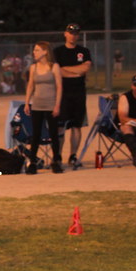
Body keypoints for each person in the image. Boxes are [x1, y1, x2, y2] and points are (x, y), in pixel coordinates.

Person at [53, 23, 92, 169]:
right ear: (65, 34)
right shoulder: (58, 52)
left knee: (77, 126)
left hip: (79, 93)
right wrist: (75, 71)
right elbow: (57, 71)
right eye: (70, 33)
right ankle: (58, 156)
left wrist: (66, 70)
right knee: (60, 126)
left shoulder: (84, 51)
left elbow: (85, 68)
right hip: (62, 94)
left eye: (75, 33)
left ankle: (73, 156)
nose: (73, 35)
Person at [23, 41, 63, 174]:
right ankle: (33, 162)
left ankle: (56, 161)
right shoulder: (33, 67)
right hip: (37, 105)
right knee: (36, 134)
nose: (34, 52)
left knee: (53, 134)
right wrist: (27, 102)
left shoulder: (54, 66)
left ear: (45, 51)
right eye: (34, 50)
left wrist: (57, 105)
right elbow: (30, 86)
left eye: (37, 50)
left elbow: (59, 86)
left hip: (51, 104)